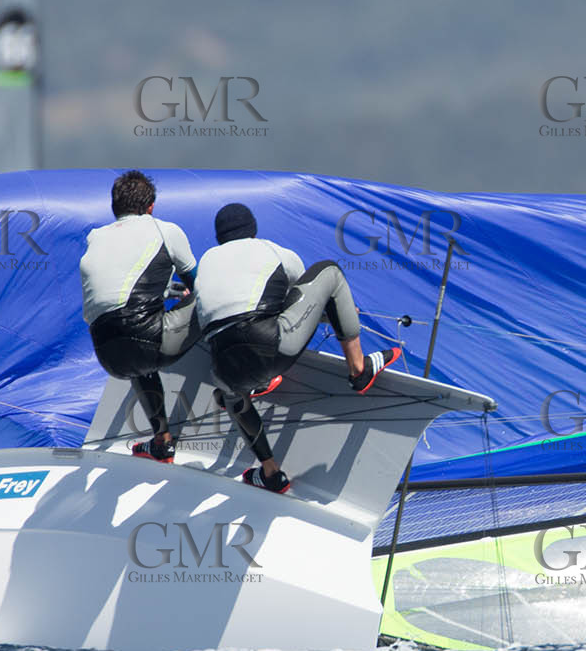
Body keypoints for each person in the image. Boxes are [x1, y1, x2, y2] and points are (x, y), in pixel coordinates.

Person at [195, 202, 400, 493]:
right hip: (271, 346)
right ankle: (358, 369)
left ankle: (270, 473)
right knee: (328, 271)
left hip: (225, 367)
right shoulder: (270, 250)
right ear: (252, 230)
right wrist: (338, 312)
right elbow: (300, 297)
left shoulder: (206, 262)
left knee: (233, 395)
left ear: (220, 237)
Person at [79, 170, 199, 463]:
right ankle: (250, 382)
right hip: (151, 340)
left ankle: (162, 442)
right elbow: (199, 285)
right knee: (214, 294)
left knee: (139, 360)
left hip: (109, 356)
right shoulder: (164, 230)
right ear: (151, 208)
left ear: (114, 207)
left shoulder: (95, 239)